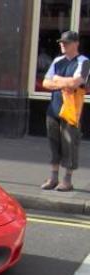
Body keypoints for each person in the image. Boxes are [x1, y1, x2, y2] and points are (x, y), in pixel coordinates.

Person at [41, 30, 90, 192]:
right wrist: (63, 83)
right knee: (53, 143)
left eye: (66, 42)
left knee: (70, 144)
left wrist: (57, 80)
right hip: (54, 108)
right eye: (61, 42)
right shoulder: (57, 61)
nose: (62, 45)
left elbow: (76, 82)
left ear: (76, 44)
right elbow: (45, 83)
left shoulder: (83, 62)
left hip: (71, 110)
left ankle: (67, 180)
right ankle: (53, 178)